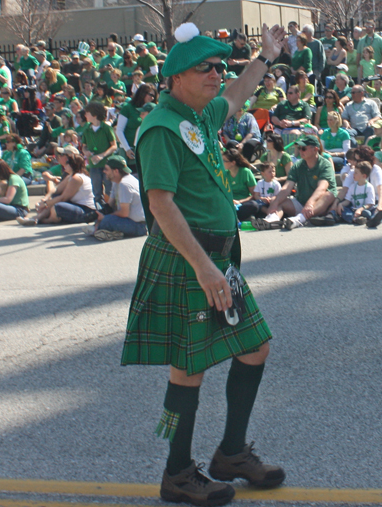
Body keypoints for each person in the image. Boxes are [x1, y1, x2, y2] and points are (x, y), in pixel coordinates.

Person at [121, 21, 286, 507]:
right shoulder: (160, 128)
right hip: (186, 259)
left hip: (216, 258)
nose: (217, 74)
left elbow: (236, 95)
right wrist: (204, 267)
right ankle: (177, 473)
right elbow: (161, 205)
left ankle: (231, 454)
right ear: (175, 78)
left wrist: (266, 57)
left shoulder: (199, 115)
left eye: (218, 65)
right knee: (188, 368)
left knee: (255, 347)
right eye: (205, 68)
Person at [265, 135, 337, 229]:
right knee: (279, 200)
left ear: (315, 149)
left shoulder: (325, 165)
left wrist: (310, 203)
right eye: (299, 148)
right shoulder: (298, 165)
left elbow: (322, 188)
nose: (300, 151)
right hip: (301, 202)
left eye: (303, 148)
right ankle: (272, 220)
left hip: (320, 205)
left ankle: (299, 219)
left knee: (329, 195)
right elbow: (287, 187)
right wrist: (275, 203)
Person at [18, 149, 96, 226]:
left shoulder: (77, 178)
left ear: (73, 165)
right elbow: (56, 189)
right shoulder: (71, 176)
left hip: (86, 211)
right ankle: (37, 218)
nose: (65, 164)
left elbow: (63, 198)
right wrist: (44, 200)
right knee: (54, 197)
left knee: (57, 206)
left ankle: (45, 220)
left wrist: (45, 204)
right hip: (77, 206)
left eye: (67, 163)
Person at [93, 155, 147, 240]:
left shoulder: (124, 184)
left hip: (139, 225)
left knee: (105, 221)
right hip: (129, 220)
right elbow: (110, 205)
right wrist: (101, 214)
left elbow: (124, 213)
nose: (104, 171)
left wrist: (104, 218)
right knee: (101, 220)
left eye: (107, 169)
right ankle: (113, 232)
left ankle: (113, 233)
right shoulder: (116, 181)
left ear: (116, 171)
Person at [81, 102, 118, 202]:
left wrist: (102, 155)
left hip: (107, 164)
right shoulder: (87, 129)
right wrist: (86, 152)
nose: (85, 115)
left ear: (94, 115)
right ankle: (99, 211)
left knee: (109, 191)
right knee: (96, 192)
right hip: (94, 165)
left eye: (87, 113)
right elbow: (84, 147)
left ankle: (110, 211)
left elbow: (114, 146)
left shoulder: (106, 128)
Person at [116, 84, 157, 163]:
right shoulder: (127, 108)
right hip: (127, 150)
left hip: (143, 149)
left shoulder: (152, 109)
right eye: (150, 95)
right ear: (142, 94)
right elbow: (119, 130)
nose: (152, 98)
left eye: (154, 96)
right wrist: (127, 149)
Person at [222, 147, 259, 221]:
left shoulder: (245, 172)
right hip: (229, 204)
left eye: (224, 161)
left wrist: (239, 201)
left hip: (243, 203)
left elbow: (254, 195)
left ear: (233, 162)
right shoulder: (224, 174)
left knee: (254, 205)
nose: (222, 162)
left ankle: (233, 217)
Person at [337, 160, 375, 224]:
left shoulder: (369, 187)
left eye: (356, 173)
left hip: (364, 209)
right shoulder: (352, 187)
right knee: (345, 210)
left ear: (364, 176)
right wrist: (341, 204)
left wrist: (360, 209)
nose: (353, 174)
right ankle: (357, 219)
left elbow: (370, 204)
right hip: (353, 210)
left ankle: (368, 219)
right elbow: (347, 201)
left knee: (369, 212)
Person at [250, 162, 282, 229]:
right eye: (269, 172)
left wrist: (272, 199)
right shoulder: (260, 183)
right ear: (263, 173)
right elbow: (256, 195)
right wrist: (261, 198)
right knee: (258, 204)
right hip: (262, 202)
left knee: (278, 204)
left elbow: (279, 195)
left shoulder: (276, 184)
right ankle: (268, 213)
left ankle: (270, 217)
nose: (272, 173)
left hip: (272, 202)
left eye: (273, 171)